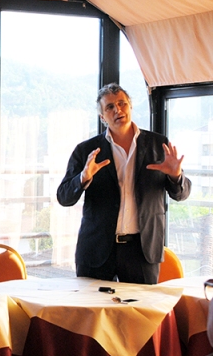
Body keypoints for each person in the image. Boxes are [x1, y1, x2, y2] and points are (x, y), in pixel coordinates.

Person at [57, 83, 191, 284]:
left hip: (142, 250)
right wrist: (83, 178)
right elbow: (63, 197)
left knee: (142, 305)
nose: (117, 110)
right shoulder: (87, 150)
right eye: (110, 107)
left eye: (122, 103)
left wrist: (175, 175)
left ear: (130, 107)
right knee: (92, 305)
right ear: (102, 117)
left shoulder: (158, 144)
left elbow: (182, 194)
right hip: (96, 249)